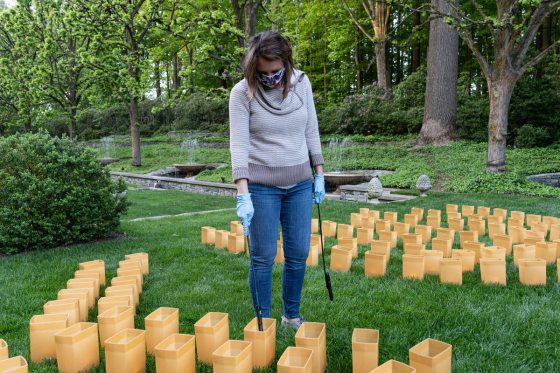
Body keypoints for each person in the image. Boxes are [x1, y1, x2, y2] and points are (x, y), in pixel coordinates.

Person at [229, 30, 325, 330]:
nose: (270, 77)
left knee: (298, 253)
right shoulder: (241, 93)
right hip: (260, 187)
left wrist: (319, 172)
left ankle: (291, 316)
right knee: (263, 256)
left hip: (299, 183)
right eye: (263, 72)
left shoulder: (302, 84)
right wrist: (242, 192)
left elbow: (311, 129)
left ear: (286, 61)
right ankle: (263, 320)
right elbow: (239, 144)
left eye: (275, 71)